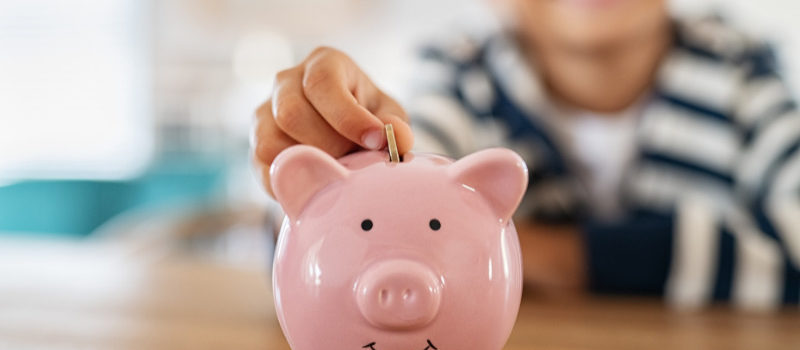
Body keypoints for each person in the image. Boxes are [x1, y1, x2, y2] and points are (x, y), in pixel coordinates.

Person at [251, 0, 800, 308]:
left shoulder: (741, 72)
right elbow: (377, 244)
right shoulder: (460, 73)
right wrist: (347, 170)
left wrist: (544, 257)